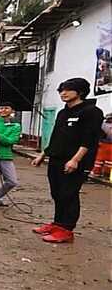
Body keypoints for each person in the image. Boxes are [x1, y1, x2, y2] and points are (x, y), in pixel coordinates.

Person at [31, 78, 104, 243]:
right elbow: (56, 136)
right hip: (57, 159)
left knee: (69, 194)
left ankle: (66, 229)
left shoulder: (91, 111)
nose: (63, 93)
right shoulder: (63, 112)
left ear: (80, 92)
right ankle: (57, 224)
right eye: (61, 90)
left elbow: (89, 140)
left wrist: (75, 160)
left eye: (68, 90)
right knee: (57, 193)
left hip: (75, 161)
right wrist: (43, 154)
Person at [91, 112, 112, 178]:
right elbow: (98, 132)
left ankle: (107, 174)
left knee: (109, 161)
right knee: (99, 160)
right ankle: (96, 173)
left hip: (110, 144)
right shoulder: (103, 123)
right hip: (103, 143)